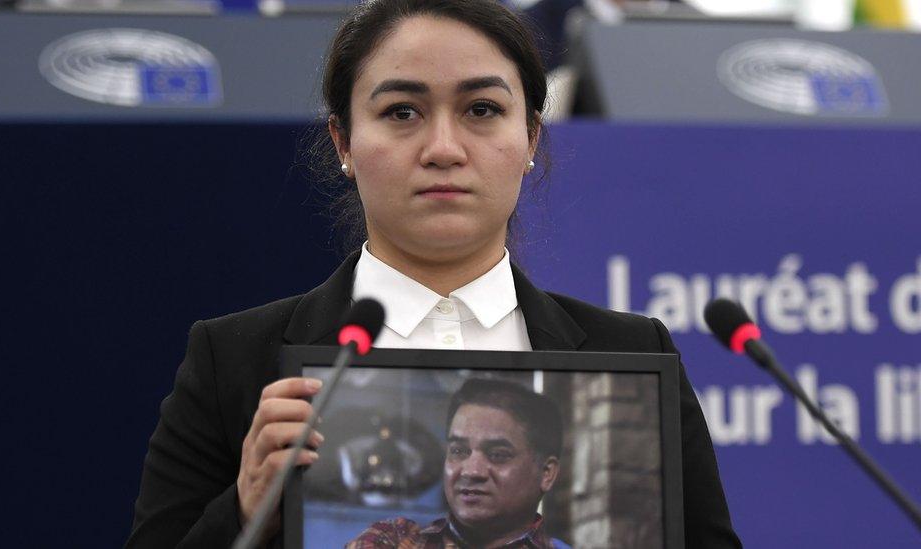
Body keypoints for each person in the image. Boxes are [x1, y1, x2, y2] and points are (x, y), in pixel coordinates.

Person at [126, 1, 742, 547]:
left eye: (481, 108)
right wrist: (244, 511)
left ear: (530, 136)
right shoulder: (234, 361)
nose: (443, 147)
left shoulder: (632, 353)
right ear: (343, 141)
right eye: (401, 112)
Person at [347, 378, 568, 548]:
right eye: (459, 450)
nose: (471, 471)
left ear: (546, 473)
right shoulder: (393, 540)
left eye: (499, 455)